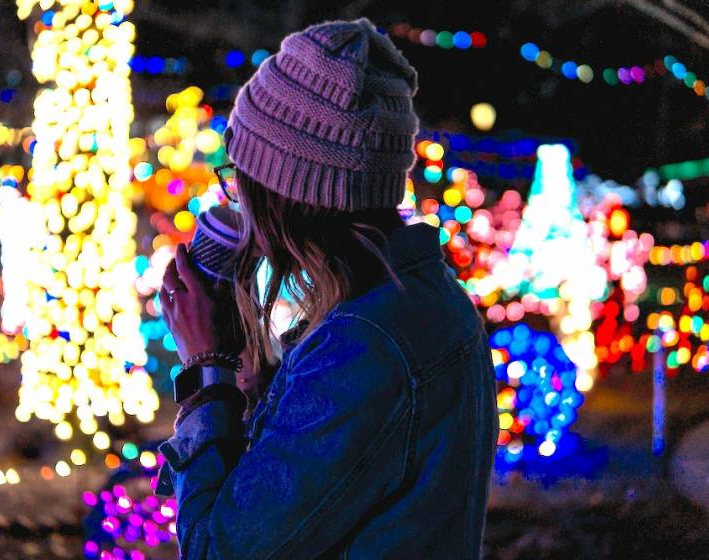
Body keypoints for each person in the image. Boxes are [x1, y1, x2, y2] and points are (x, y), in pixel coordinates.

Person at [157, 17, 497, 559]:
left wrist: (205, 368)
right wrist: (258, 387)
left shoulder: (363, 348)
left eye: (240, 179)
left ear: (283, 196)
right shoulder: (419, 300)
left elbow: (215, 550)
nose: (235, 200)